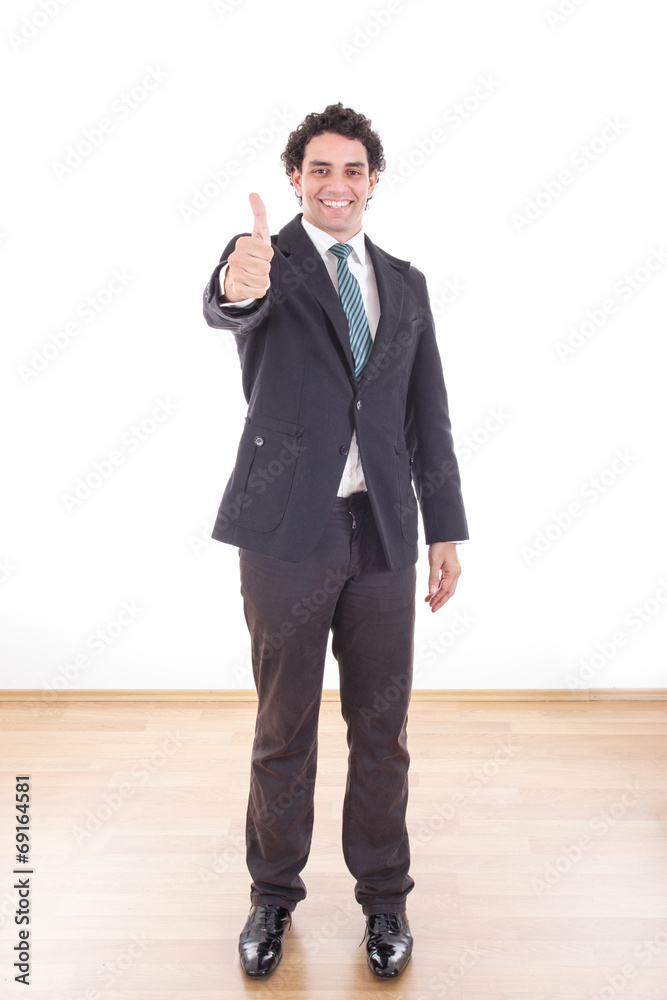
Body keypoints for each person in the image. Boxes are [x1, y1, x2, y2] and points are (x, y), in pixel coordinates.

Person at [202, 102, 469, 980]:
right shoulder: (263, 260)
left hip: (383, 530)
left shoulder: (405, 282)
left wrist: (444, 528)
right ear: (295, 180)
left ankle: (384, 899)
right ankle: (272, 896)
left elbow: (427, 415)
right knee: (284, 724)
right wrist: (236, 283)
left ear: (372, 181)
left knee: (382, 726)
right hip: (287, 531)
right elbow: (230, 307)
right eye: (318, 169)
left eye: (352, 169)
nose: (336, 184)